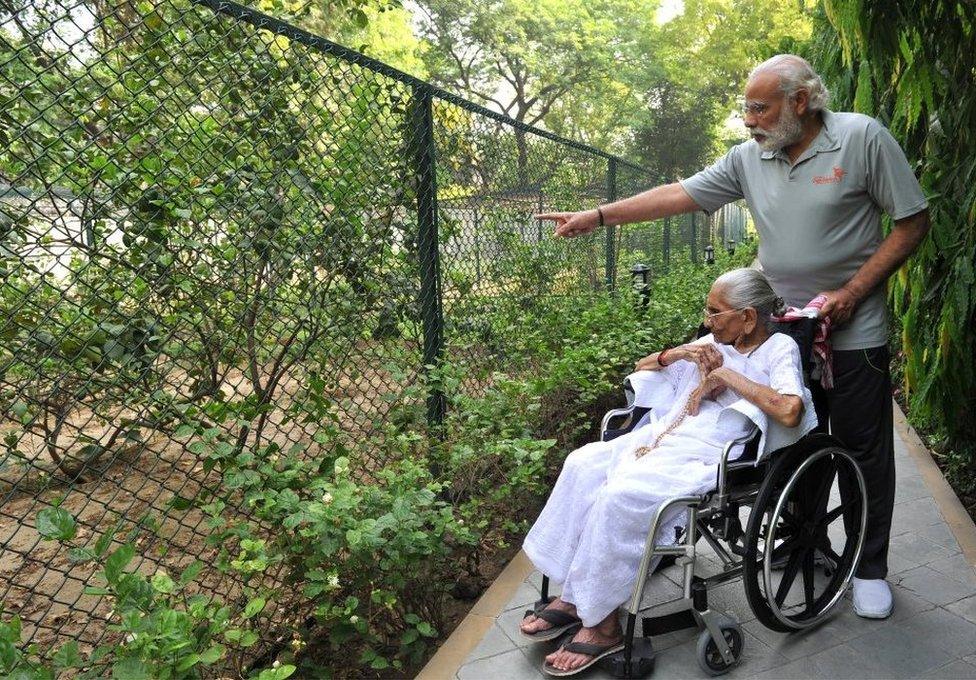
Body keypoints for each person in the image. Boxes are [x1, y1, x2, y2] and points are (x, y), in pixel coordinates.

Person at [536, 54, 929, 621]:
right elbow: (679, 194)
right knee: (789, 443)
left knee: (863, 449)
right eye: (746, 108)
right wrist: (597, 216)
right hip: (783, 330)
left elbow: (912, 221)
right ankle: (806, 542)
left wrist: (852, 292)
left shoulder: (861, 139)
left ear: (801, 101)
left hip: (853, 328)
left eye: (759, 107)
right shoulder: (750, 158)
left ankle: (868, 568)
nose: (749, 119)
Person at [520, 268, 817, 676]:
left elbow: (789, 408)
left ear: (748, 317)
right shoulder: (713, 340)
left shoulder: (778, 348)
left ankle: (603, 625)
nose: (708, 320)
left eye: (716, 312)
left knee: (618, 495)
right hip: (666, 431)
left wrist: (728, 376)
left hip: (709, 450)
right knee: (582, 464)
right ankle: (575, 597)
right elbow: (643, 366)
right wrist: (679, 354)